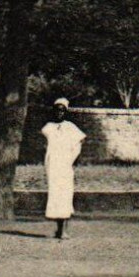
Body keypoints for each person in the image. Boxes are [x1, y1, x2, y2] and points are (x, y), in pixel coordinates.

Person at [42, 98, 86, 239]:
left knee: (65, 195)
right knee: (55, 195)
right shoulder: (48, 127)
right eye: (57, 110)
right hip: (53, 166)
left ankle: (64, 229)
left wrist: (72, 159)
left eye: (62, 110)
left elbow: (80, 141)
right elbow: (44, 143)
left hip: (65, 166)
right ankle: (58, 229)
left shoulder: (70, 127)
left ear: (65, 112)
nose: (59, 113)